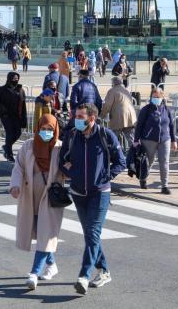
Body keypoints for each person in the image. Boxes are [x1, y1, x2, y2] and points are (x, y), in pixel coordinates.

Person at [59, 103, 126, 295]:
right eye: (76, 116)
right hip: (79, 193)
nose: (76, 120)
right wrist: (72, 172)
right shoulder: (72, 135)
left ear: (92, 118)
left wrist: (106, 176)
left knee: (93, 232)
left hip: (100, 193)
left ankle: (84, 275)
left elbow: (120, 161)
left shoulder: (105, 135)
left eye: (81, 116)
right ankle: (104, 270)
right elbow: (62, 159)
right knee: (90, 235)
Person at [9, 114, 64, 290]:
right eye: (43, 129)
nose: (46, 132)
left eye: (50, 129)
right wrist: (15, 186)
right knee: (39, 233)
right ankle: (52, 264)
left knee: (45, 233)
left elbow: (68, 169)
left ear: (55, 130)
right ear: (37, 128)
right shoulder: (29, 145)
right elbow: (18, 167)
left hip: (50, 198)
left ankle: (34, 273)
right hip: (30, 196)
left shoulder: (60, 148)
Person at [134, 87, 178, 194]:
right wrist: (136, 139)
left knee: (164, 163)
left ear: (162, 97)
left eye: (158, 96)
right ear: (151, 96)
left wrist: (173, 140)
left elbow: (171, 125)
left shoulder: (166, 109)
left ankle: (165, 186)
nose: (156, 98)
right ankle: (143, 178)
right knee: (149, 162)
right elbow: (139, 125)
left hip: (164, 139)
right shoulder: (146, 109)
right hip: (149, 140)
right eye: (154, 96)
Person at [0, 72, 27, 162]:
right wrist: (2, 110)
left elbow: (23, 104)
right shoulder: (2, 90)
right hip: (6, 116)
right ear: (9, 78)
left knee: (18, 133)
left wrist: (24, 118)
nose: (16, 80)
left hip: (17, 115)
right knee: (10, 133)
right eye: (14, 78)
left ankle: (6, 147)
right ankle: (9, 154)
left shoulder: (20, 90)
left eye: (17, 78)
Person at [100, 77, 137, 151]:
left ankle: (113, 155)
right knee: (130, 138)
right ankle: (135, 154)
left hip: (118, 117)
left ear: (113, 83)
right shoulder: (126, 90)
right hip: (130, 117)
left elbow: (107, 105)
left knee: (113, 137)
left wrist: (102, 115)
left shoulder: (112, 91)